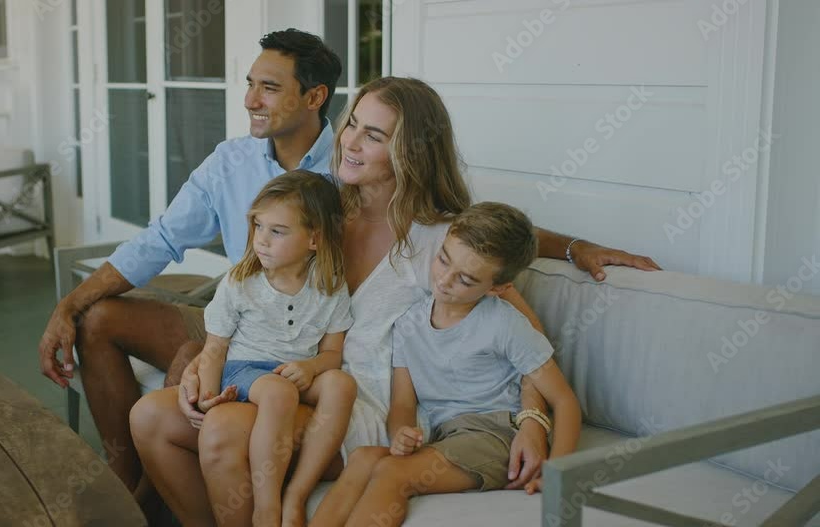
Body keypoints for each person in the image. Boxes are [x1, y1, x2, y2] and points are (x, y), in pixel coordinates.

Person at [128, 76, 659, 526]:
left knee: (224, 428)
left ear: (411, 152)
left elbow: (522, 327)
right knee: (149, 418)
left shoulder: (440, 240)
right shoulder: (320, 212)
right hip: (288, 377)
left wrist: (533, 421)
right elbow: (254, 290)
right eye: (352, 124)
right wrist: (209, 359)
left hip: (364, 409)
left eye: (374, 135)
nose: (350, 142)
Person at [36, 28, 343, 503]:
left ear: (314, 97)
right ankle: (125, 480)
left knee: (189, 358)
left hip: (298, 340)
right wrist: (70, 304)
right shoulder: (231, 160)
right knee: (98, 318)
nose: (250, 100)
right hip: (232, 315)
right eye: (250, 84)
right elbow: (162, 238)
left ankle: (150, 495)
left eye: (269, 87)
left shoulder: (348, 170)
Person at [311, 202, 581, 526]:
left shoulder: (505, 324)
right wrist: (401, 432)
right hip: (445, 436)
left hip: (495, 435)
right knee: (363, 458)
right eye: (443, 259)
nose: (444, 280)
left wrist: (557, 472)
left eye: (465, 279)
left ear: (497, 288)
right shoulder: (408, 324)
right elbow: (402, 402)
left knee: (393, 472)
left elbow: (564, 401)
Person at [174, 170, 356, 527]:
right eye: (258, 226)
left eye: (278, 231)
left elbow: (332, 354)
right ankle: (267, 506)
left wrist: (311, 367)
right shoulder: (241, 281)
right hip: (244, 369)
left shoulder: (331, 285)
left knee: (341, 384)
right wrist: (208, 397)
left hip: (294, 373)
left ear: (314, 239)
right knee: (278, 392)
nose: (262, 240)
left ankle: (297, 492)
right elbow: (216, 348)